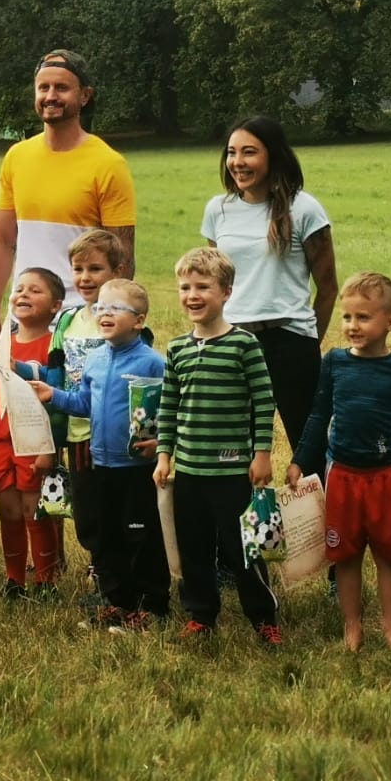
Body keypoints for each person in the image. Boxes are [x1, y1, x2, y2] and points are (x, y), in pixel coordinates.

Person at [288, 272, 391, 652]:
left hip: (384, 477)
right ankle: (352, 627)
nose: (352, 326)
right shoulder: (334, 362)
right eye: (347, 317)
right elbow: (318, 415)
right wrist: (299, 460)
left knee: (388, 555)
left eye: (363, 317)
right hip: (342, 475)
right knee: (345, 556)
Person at [153, 247, 282, 645]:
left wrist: (261, 454)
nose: (193, 295)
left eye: (203, 287)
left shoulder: (243, 345)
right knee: (194, 549)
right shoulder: (177, 349)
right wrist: (164, 454)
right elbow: (168, 405)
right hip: (190, 471)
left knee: (242, 547)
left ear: (226, 292)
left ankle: (263, 617)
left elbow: (264, 401)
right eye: (185, 287)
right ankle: (200, 615)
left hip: (232, 470)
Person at [31, 278, 170, 629]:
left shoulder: (152, 363)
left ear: (139, 321)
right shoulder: (93, 360)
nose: (105, 313)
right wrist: (54, 395)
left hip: (137, 468)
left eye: (115, 308)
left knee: (139, 535)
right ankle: (116, 601)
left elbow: (170, 408)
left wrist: (163, 442)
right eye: (101, 307)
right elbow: (83, 403)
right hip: (100, 463)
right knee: (104, 534)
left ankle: (151, 605)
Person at [0, 49, 136, 350]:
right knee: (15, 398)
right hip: (24, 317)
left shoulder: (108, 164)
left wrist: (109, 318)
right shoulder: (17, 157)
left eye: (62, 88)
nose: (51, 96)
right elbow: (2, 240)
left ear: (85, 96)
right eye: (43, 87)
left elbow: (123, 256)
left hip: (80, 319)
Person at [201, 114, 338, 456]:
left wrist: (308, 339)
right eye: (232, 152)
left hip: (289, 341)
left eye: (249, 152)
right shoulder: (218, 210)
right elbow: (211, 283)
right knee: (232, 451)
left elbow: (328, 287)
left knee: (308, 452)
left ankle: (318, 512)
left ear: (273, 155)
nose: (238, 162)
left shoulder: (303, 208)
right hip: (233, 343)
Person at [0, 268, 65, 600]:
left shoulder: (54, 347)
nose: (23, 294)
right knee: (9, 510)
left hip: (34, 443)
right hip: (3, 442)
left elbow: (57, 401)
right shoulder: (3, 345)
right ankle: (14, 578)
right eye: (19, 289)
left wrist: (49, 449)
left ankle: (46, 580)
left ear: (56, 306)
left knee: (35, 510)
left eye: (35, 291)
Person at [48, 228, 127, 601]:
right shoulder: (67, 322)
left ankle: (119, 578)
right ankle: (100, 568)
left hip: (113, 436)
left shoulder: (126, 319)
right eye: (78, 269)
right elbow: (54, 372)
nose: (85, 278)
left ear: (117, 270)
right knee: (87, 509)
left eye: (95, 268)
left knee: (116, 508)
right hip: (78, 433)